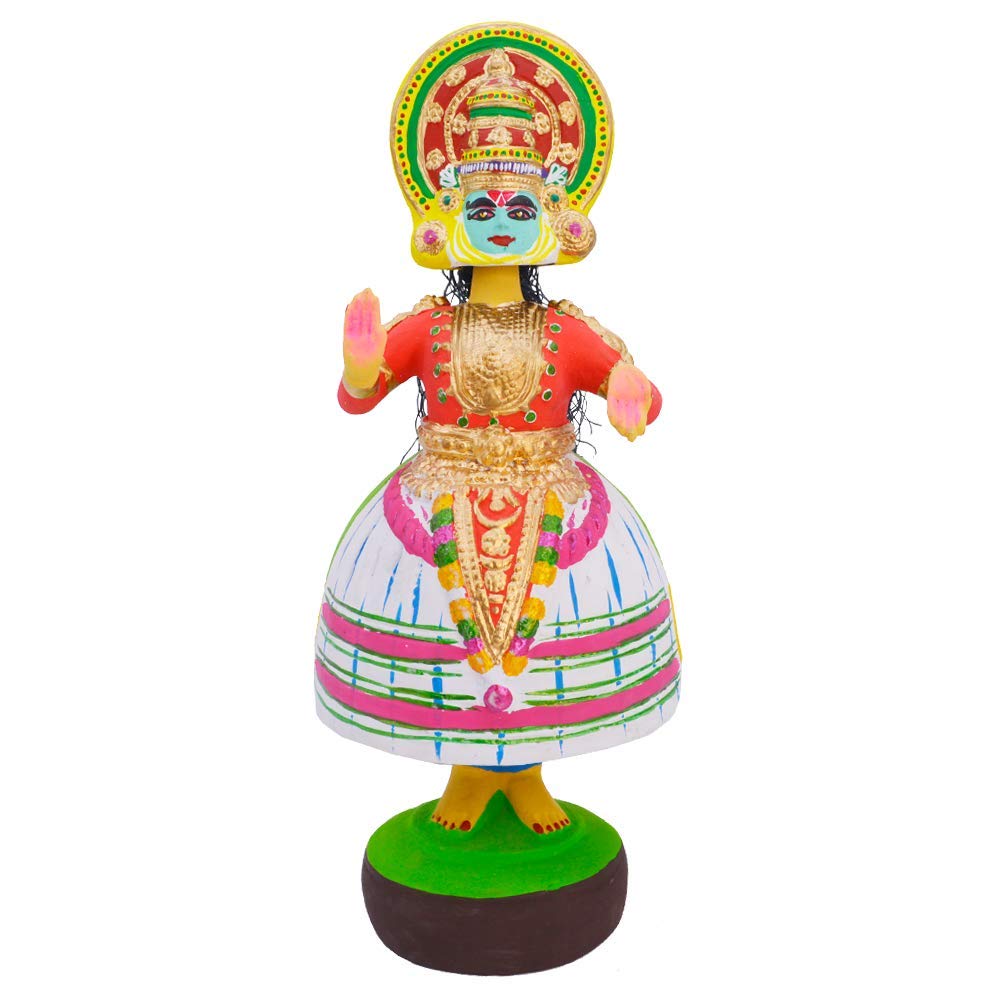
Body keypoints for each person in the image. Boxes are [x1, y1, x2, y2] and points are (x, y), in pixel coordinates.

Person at [315, 31, 681, 834]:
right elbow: (358, 398)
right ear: (448, 218)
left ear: (552, 218)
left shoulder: (567, 331)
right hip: (434, 498)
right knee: (453, 649)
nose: (502, 224)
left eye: (520, 209)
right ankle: (471, 780)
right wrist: (361, 364)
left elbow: (641, 399)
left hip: (554, 500)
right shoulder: (429, 326)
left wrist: (630, 391)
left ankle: (523, 778)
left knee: (539, 650)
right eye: (482, 210)